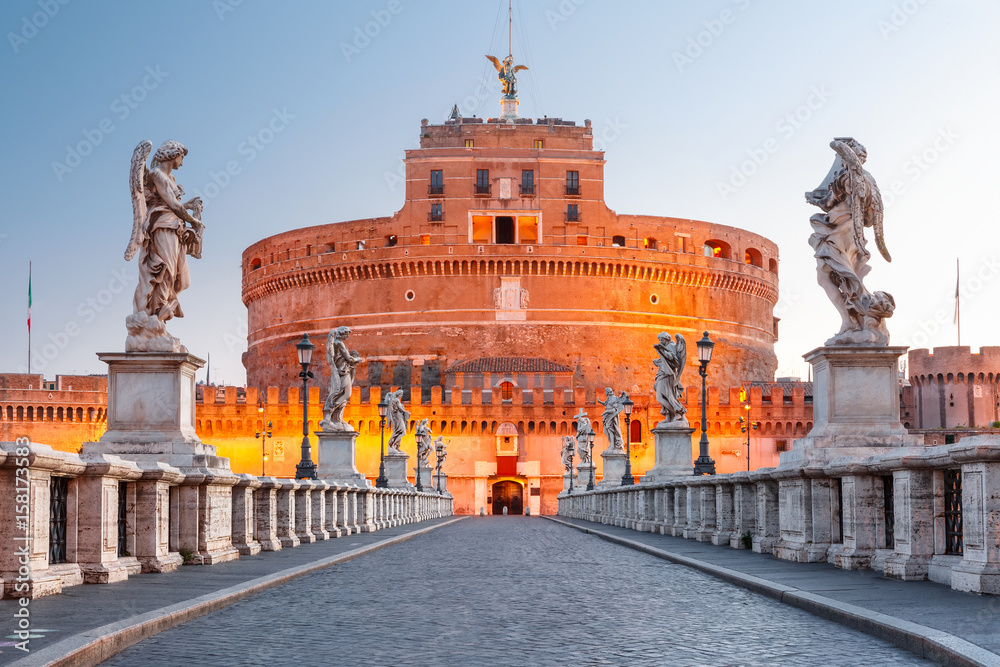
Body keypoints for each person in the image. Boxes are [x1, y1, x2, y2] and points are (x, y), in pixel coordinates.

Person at [320, 327, 361, 430]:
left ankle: (337, 418)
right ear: (342, 334)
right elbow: (348, 358)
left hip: (342, 372)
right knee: (344, 394)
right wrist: (357, 359)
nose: (347, 336)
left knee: (342, 394)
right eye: (346, 334)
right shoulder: (339, 343)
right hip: (342, 373)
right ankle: (332, 410)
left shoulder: (335, 343)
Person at [597, 387, 625, 452]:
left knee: (611, 430)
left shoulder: (615, 399)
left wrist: (605, 412)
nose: (605, 393)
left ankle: (612, 445)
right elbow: (606, 404)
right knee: (607, 431)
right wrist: (599, 401)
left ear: (608, 391)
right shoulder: (608, 398)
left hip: (612, 416)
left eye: (605, 391)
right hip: (607, 416)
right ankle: (611, 444)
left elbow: (614, 409)